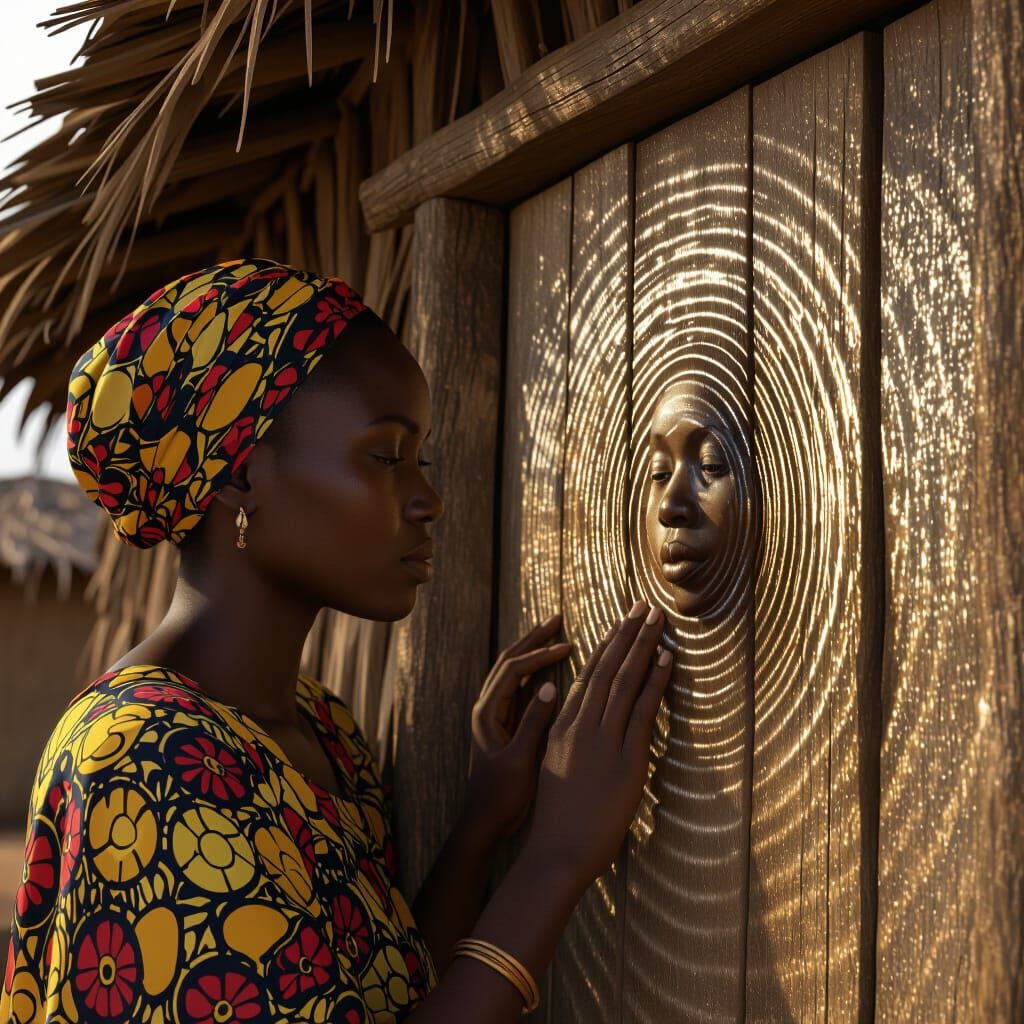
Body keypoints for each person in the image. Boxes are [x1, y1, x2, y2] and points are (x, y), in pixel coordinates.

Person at [1, 257, 672, 1023]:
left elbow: (377, 995)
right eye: (385, 456)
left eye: (421, 459)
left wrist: (484, 823)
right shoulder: (144, 762)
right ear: (240, 477)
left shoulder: (324, 731)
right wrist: (556, 859)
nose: (427, 499)